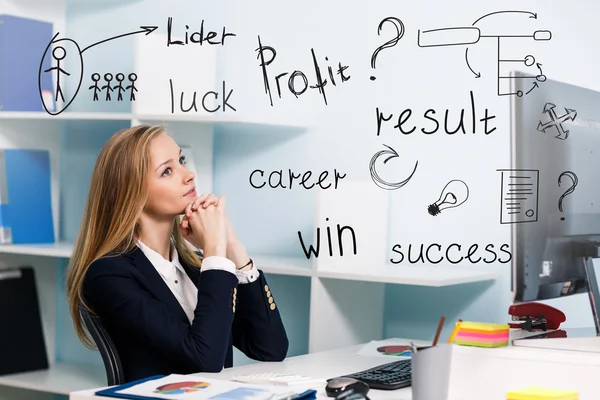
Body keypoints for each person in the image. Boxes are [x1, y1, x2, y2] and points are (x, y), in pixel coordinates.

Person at [66, 124, 289, 383]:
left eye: (181, 160)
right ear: (131, 192)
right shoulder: (109, 275)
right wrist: (214, 254)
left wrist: (231, 247)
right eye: (167, 171)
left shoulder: (195, 268)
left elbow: (271, 348)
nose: (189, 174)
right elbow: (205, 359)